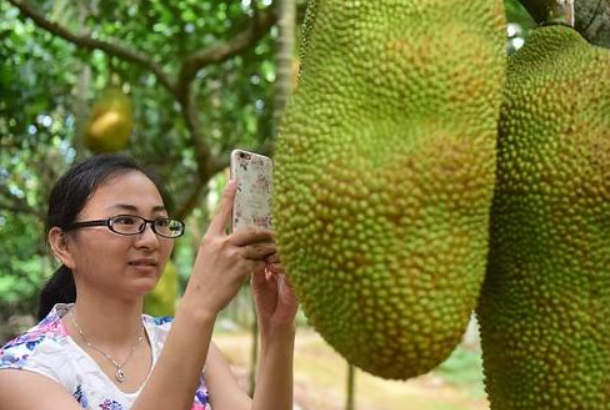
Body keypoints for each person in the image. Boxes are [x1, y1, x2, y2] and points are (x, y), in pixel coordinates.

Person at [0, 154, 299, 410]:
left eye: (159, 223)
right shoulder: (22, 369)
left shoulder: (183, 341)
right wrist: (199, 306)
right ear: (63, 245)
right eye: (125, 221)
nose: (150, 240)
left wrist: (278, 330)